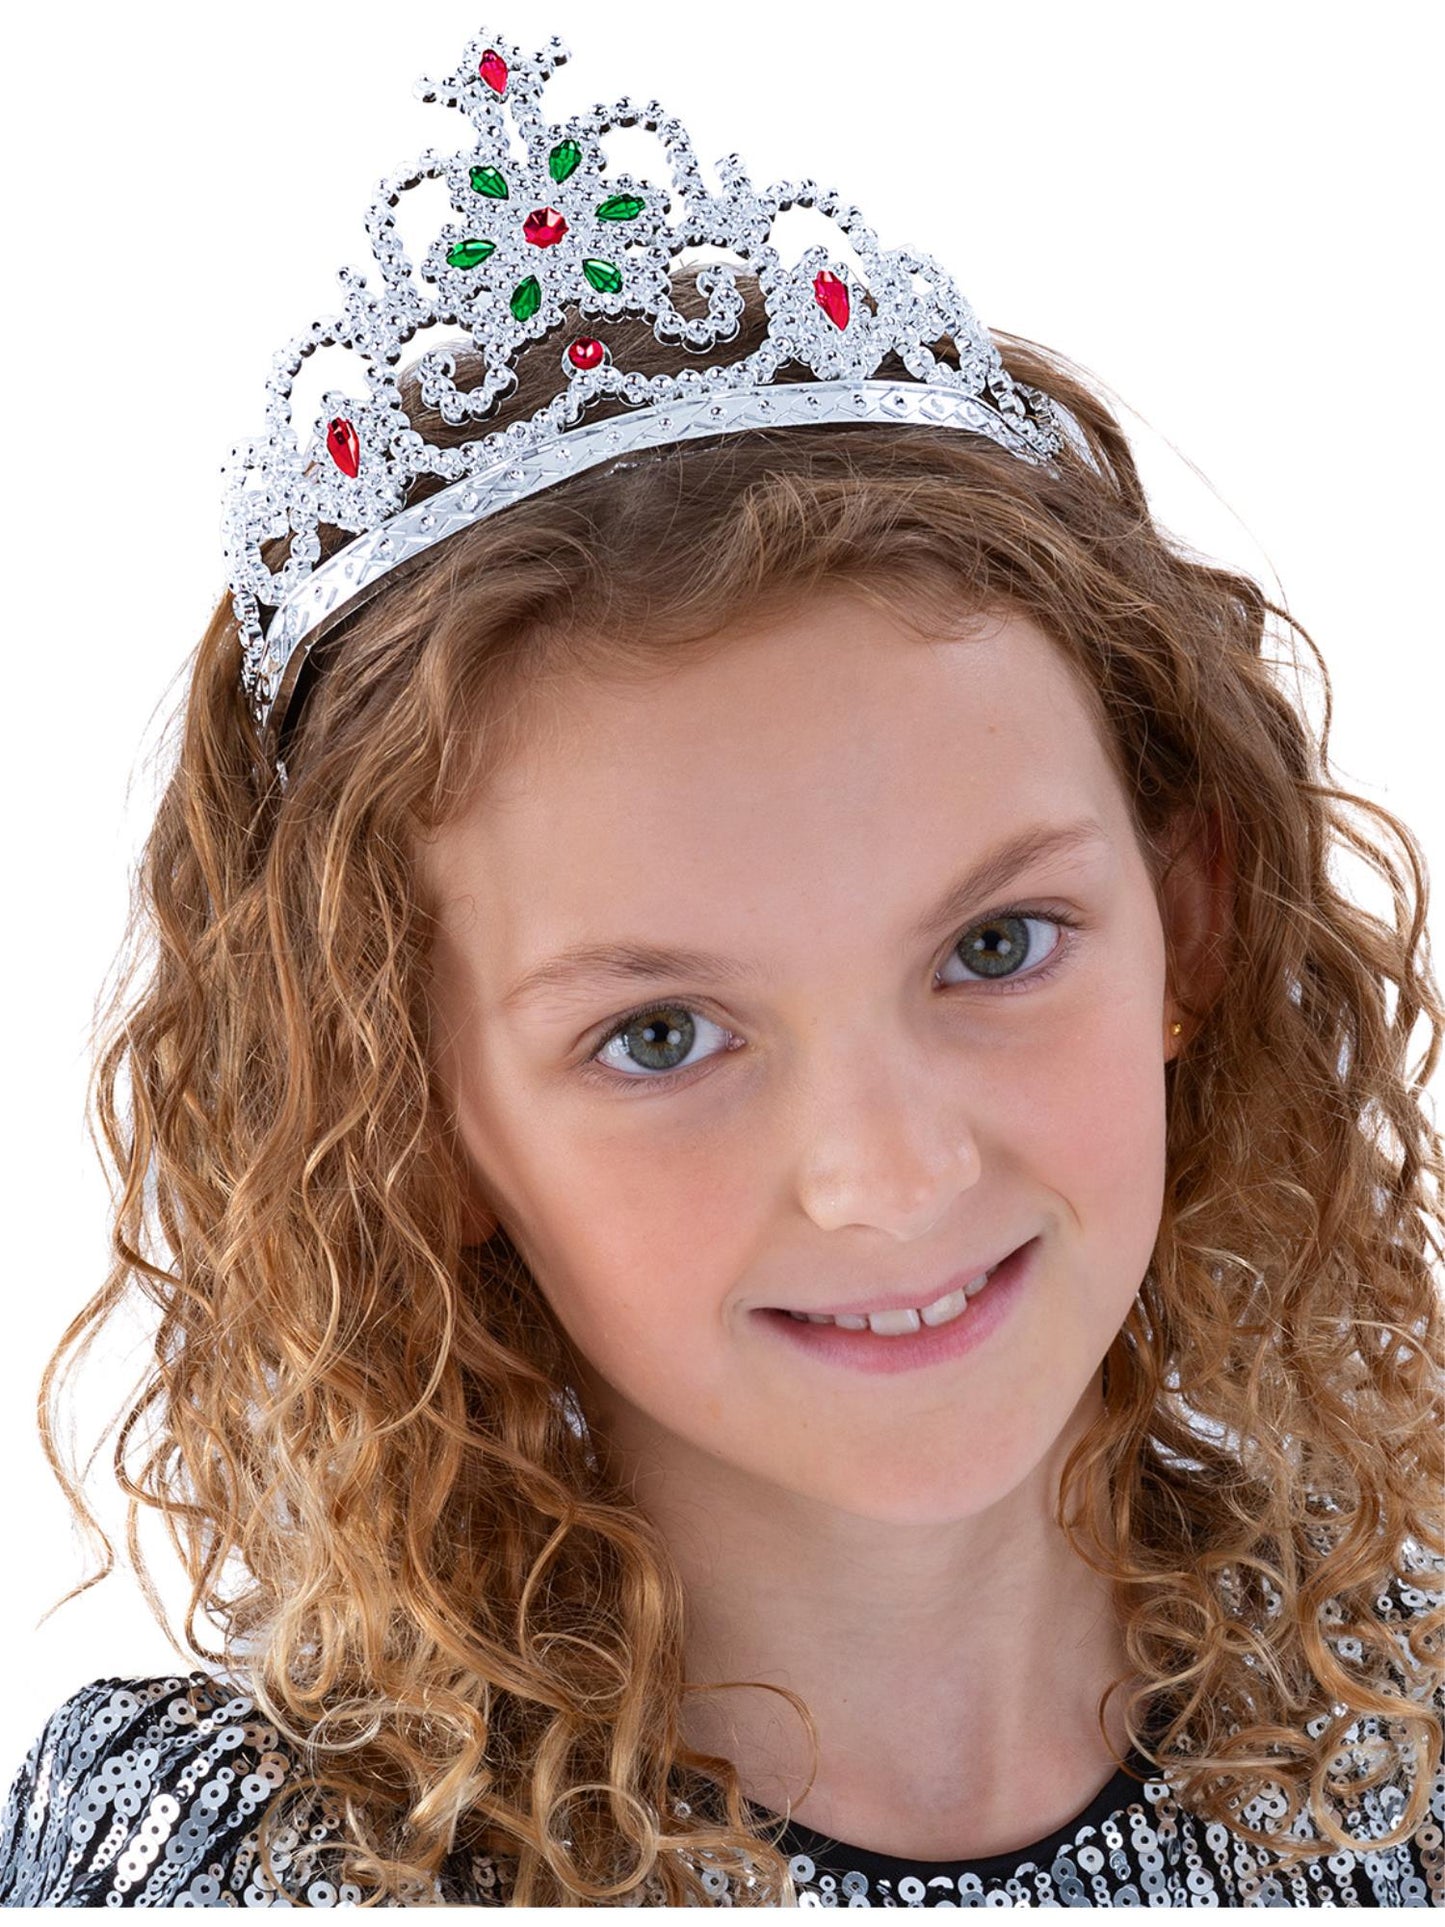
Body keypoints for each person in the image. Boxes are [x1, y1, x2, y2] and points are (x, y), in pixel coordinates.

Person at [1, 19, 1441, 1912]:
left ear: (1194, 916)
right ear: (414, 1118)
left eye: (993, 946)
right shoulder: (239, 1869)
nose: (890, 1176)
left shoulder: (1412, 1720)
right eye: (661, 1034)